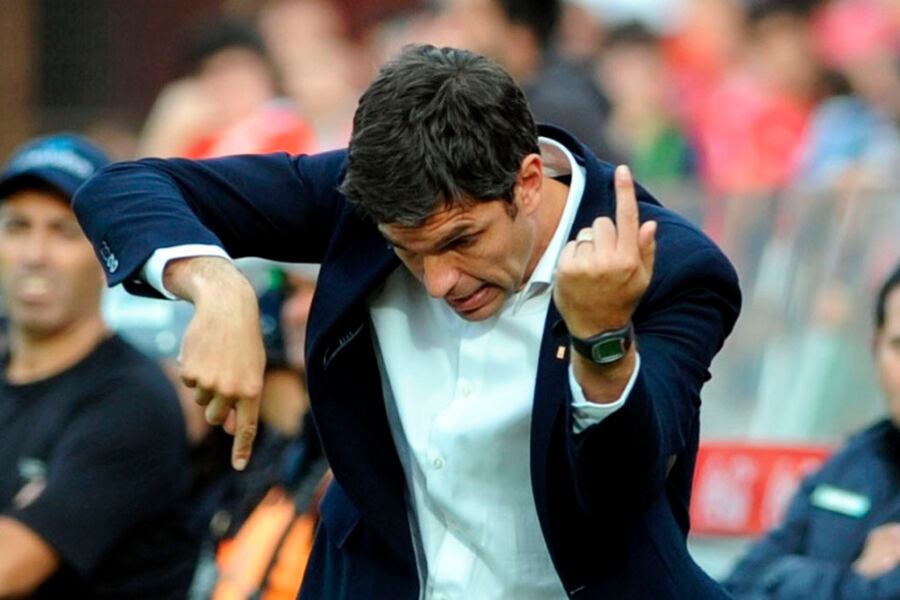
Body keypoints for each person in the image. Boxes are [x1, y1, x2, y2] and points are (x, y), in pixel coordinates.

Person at [74, 45, 741, 598]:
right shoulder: (364, 200)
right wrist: (218, 287)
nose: (438, 281)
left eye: (460, 240)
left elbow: (623, 490)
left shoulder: (673, 267)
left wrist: (601, 341)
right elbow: (121, 188)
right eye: (405, 252)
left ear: (529, 181)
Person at [0, 134, 197, 598]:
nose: (35, 256)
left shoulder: (131, 400)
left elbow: (9, 567)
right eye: (17, 227)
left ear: (105, 252)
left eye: (64, 232)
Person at [725, 264, 900, 599]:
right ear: (875, 349)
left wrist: (785, 579)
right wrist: (852, 580)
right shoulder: (851, 463)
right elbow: (736, 587)